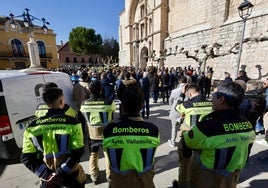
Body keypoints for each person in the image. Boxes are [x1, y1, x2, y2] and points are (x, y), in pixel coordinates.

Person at [174, 82, 255, 188]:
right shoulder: (248, 125)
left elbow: (186, 146)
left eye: (213, 96)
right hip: (232, 177)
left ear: (221, 100)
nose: (211, 99)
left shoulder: (206, 127)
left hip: (207, 179)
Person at [21, 87, 86, 188]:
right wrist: (59, 172)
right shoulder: (73, 122)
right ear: (61, 101)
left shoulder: (31, 127)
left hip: (48, 178)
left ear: (46, 103)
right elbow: (78, 152)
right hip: (71, 175)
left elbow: (27, 158)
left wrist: (48, 174)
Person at [103, 85, 160, 188]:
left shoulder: (109, 130)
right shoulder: (153, 130)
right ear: (142, 106)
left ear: (122, 106)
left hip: (118, 184)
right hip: (145, 184)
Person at [175, 84, 213, 187]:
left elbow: (177, 108)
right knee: (201, 161)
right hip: (205, 137)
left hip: (189, 136)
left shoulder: (187, 104)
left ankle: (182, 183)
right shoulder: (210, 104)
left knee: (185, 161)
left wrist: (182, 94)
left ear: (190, 93)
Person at [80, 80, 116, 183]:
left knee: (93, 154)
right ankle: (109, 175)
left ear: (90, 90)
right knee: (107, 154)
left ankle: (94, 175)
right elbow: (113, 111)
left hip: (92, 135)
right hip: (106, 134)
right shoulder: (109, 102)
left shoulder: (84, 104)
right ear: (101, 89)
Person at [167, 76, 188, 147]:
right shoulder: (188, 91)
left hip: (175, 110)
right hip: (185, 111)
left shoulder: (174, 91)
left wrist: (172, 106)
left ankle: (173, 141)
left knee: (174, 127)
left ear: (179, 82)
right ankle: (183, 142)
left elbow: (170, 100)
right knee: (184, 127)